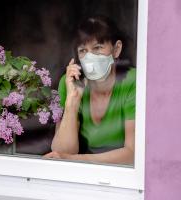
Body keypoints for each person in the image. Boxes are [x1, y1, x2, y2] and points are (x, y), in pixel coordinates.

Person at [44, 16, 135, 165]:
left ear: (116, 49)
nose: (90, 57)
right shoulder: (71, 83)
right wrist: (72, 102)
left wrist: (78, 160)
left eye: (98, 48)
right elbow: (62, 152)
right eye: (83, 50)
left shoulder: (132, 82)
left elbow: (133, 154)